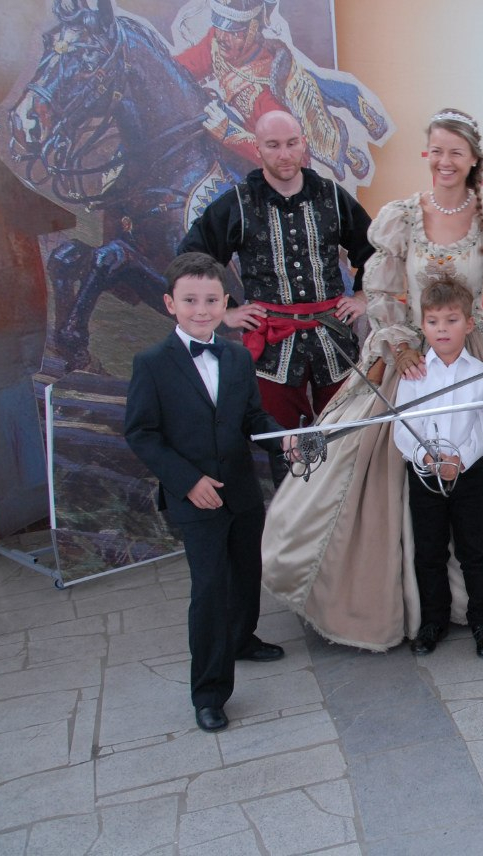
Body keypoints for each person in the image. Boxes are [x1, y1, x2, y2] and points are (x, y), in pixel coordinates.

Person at [260, 108, 483, 651]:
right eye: (436, 150)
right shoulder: (402, 217)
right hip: (412, 354)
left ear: (474, 159)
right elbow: (380, 290)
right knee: (383, 468)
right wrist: (398, 342)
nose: (445, 161)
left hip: (475, 349)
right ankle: (416, 607)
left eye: (456, 151)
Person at [124, 252, 296, 733]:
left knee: (246, 571)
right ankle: (209, 691)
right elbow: (141, 433)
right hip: (195, 498)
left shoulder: (237, 356)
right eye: (190, 300)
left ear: (225, 304)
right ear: (170, 304)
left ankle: (242, 639)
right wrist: (188, 481)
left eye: (211, 300)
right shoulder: (152, 364)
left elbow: (252, 418)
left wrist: (282, 437)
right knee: (209, 590)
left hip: (241, 490)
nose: (201, 310)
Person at [178, 109, 373, 485]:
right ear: (258, 148)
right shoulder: (239, 202)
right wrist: (226, 313)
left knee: (346, 440)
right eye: (273, 145)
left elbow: (373, 248)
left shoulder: (332, 196)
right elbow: (192, 257)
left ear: (303, 144)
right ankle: (292, 518)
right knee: (286, 449)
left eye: (291, 143)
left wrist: (363, 296)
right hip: (272, 347)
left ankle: (342, 520)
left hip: (334, 340)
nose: (284, 154)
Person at [395, 279, 483, 657]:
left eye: (451, 320)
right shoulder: (414, 375)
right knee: (429, 551)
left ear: (468, 324)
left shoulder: (482, 374)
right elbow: (403, 427)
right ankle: (433, 622)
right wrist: (426, 458)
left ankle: (482, 623)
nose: (442, 329)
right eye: (433, 322)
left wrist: (461, 460)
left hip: (467, 475)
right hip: (425, 475)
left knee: (474, 550)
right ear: (423, 326)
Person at [174, 0, 386, 180]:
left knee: (318, 116)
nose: (222, 37)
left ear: (252, 30)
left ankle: (351, 136)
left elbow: (293, 159)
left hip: (281, 108)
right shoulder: (217, 40)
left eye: (233, 31)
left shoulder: (265, 98)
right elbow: (181, 67)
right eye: (219, 26)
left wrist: (229, 133)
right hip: (256, 124)